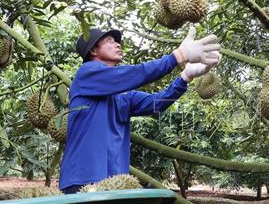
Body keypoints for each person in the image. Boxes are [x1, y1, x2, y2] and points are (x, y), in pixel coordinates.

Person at [59, 26, 221, 194]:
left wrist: (185, 77)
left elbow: (157, 103)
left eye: (116, 41)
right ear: (93, 50)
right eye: (109, 41)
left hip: (115, 183)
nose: (117, 44)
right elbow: (136, 73)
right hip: (82, 178)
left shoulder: (122, 94)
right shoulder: (87, 74)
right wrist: (178, 56)